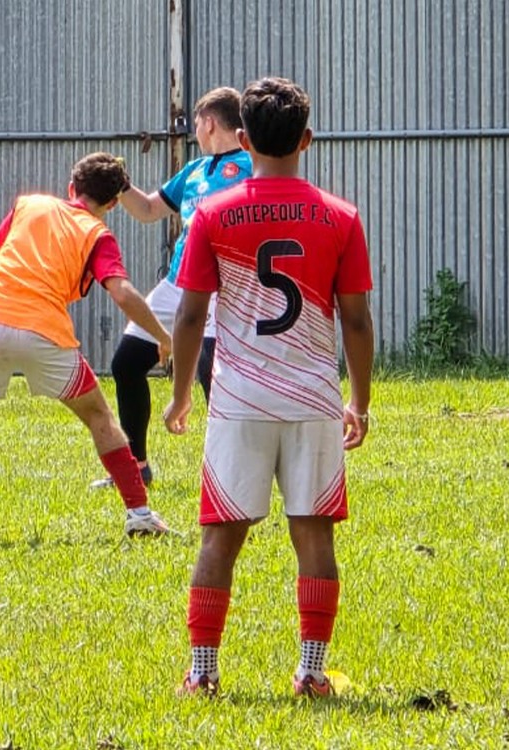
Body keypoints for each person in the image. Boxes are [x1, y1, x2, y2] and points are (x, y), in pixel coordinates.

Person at [164, 77, 374, 697]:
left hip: (239, 402)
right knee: (314, 531)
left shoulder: (212, 213)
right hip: (311, 399)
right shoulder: (340, 217)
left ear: (244, 138)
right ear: (307, 140)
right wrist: (359, 400)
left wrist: (179, 394)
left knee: (219, 536)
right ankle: (311, 670)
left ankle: (202, 675)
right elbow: (357, 320)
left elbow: (190, 315)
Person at [0, 152, 173, 540]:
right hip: (46, 331)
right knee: (101, 419)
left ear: (71, 187)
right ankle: (139, 514)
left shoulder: (29, 205)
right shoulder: (97, 234)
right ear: (112, 205)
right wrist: (162, 337)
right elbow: (122, 292)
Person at [92, 87, 252, 490]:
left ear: (209, 122)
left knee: (211, 377)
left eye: (196, 122)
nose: (195, 128)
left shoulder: (251, 165)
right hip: (177, 281)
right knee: (127, 363)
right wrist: (119, 182)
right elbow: (148, 210)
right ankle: (137, 467)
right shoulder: (195, 170)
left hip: (222, 286)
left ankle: (233, 476)